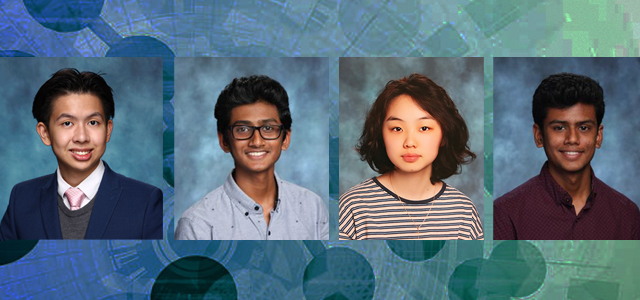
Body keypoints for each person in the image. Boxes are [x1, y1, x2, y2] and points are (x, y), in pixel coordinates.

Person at [0, 68, 163, 240]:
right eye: (67, 123)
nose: (82, 137)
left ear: (108, 130)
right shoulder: (22, 198)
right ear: (45, 133)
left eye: (93, 122)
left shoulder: (145, 201)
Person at [175, 75, 329, 240]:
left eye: (268, 128)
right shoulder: (197, 224)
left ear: (285, 138)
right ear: (224, 141)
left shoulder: (313, 208)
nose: (256, 141)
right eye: (242, 129)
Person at [493, 72, 640, 240]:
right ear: (538, 135)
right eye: (559, 128)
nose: (572, 139)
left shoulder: (626, 215)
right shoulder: (505, 214)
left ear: (598, 136)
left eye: (584, 128)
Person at [339, 73, 483, 240]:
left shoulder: (463, 211)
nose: (409, 142)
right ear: (381, 135)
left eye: (424, 128)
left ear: (444, 135)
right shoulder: (353, 207)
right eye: (397, 129)